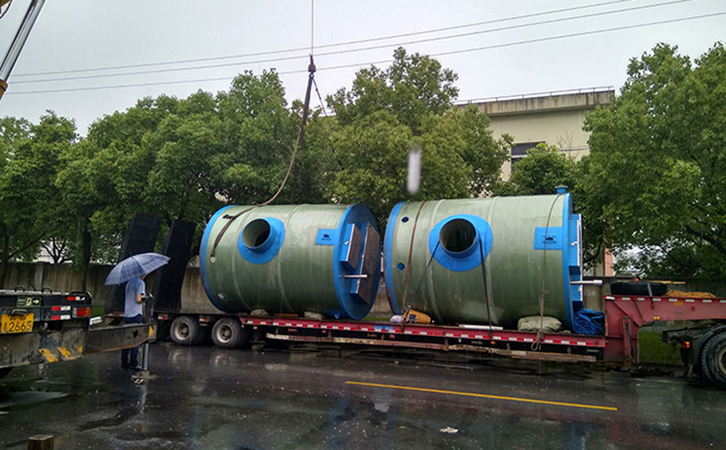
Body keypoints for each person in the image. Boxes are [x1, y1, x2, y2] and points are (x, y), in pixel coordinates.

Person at [121, 274, 148, 370]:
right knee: (135, 340)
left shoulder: (129, 283)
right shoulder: (140, 283)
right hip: (135, 314)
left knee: (127, 340)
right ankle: (134, 363)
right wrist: (147, 299)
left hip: (127, 314)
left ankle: (124, 363)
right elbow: (138, 299)